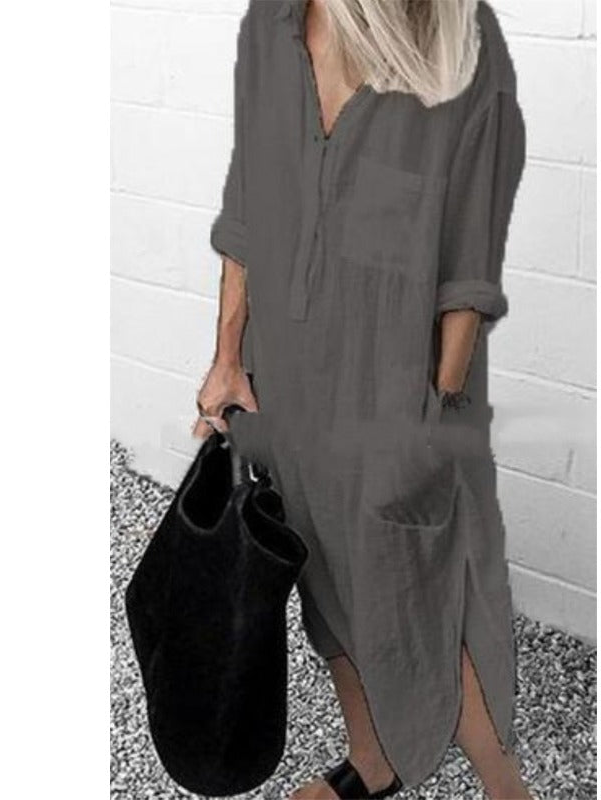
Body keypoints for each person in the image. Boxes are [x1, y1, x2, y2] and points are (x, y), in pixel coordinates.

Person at [193, 1, 530, 797]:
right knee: (321, 573)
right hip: (285, 375)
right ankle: (372, 764)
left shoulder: (456, 36)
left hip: (396, 391)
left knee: (431, 601)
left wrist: (436, 408)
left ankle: (508, 789)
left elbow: (469, 259)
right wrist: (228, 357)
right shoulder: (273, 22)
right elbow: (248, 202)